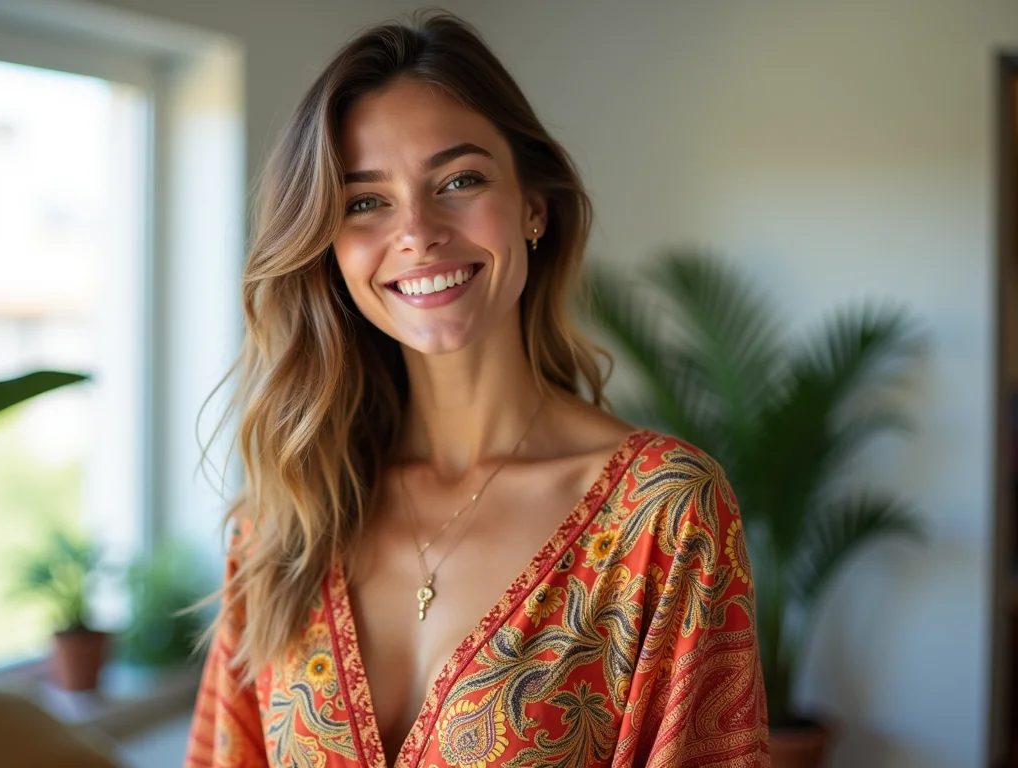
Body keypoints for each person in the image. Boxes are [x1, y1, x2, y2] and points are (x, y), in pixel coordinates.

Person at [184, 10, 768, 768]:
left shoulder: (663, 516)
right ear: (328, 246)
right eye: (366, 201)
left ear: (533, 207)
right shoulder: (280, 521)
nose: (417, 231)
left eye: (459, 180)